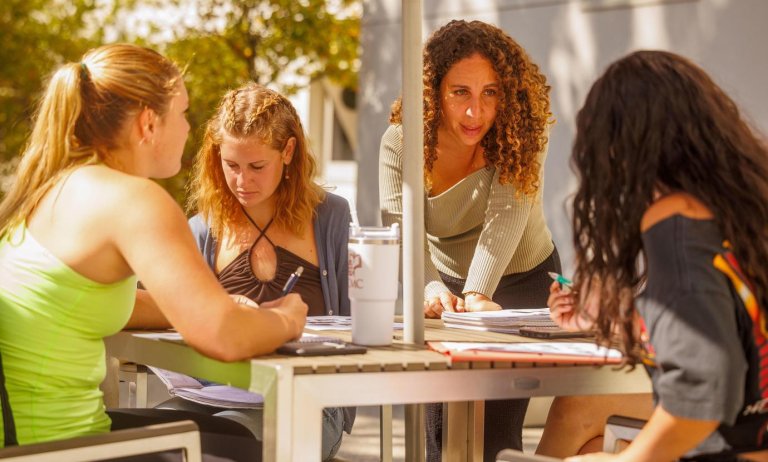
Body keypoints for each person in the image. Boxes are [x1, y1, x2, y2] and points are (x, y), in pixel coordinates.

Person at [0, 44, 307, 461]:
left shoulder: (49, 188)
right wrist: (287, 318)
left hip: (28, 441)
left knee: (236, 439)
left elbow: (81, 302)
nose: (188, 128)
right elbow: (225, 337)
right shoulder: (134, 201)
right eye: (181, 113)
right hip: (63, 448)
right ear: (148, 123)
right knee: (269, 449)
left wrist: (195, 305)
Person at [545, 50, 768, 461]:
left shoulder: (676, 219)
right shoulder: (740, 210)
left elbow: (701, 391)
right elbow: (728, 326)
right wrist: (613, 312)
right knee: (589, 437)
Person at [378, 19, 560, 461]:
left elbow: (505, 220)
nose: (475, 112)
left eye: (490, 93)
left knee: (494, 433)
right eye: (460, 92)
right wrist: (431, 286)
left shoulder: (523, 134)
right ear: (434, 91)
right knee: (439, 431)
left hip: (522, 281)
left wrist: (478, 294)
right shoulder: (402, 143)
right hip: (444, 286)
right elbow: (403, 230)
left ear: (508, 93)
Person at [150, 82, 354, 461]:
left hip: (306, 402)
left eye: (257, 166)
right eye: (232, 166)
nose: (243, 182)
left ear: (288, 151)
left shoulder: (331, 217)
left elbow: (353, 323)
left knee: (215, 445)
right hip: (209, 394)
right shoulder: (203, 228)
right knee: (148, 442)